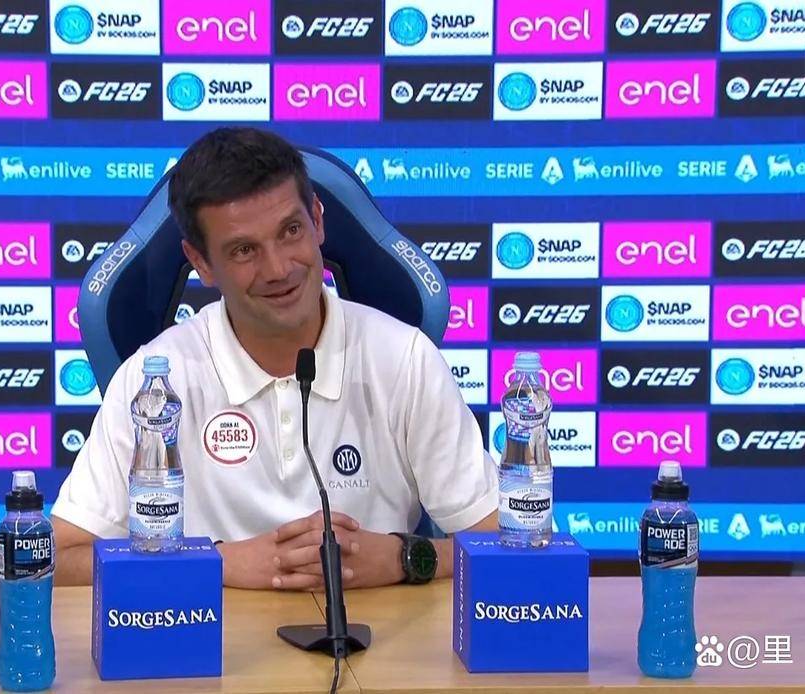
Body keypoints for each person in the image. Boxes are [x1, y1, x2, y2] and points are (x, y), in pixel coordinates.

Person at [51, 126, 497, 590]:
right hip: (214, 634)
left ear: (318, 221)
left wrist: (405, 557)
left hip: (379, 631)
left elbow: (503, 545)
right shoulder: (153, 382)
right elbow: (60, 559)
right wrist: (215, 564)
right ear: (200, 262)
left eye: (291, 231)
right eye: (244, 250)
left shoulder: (406, 359)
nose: (279, 268)